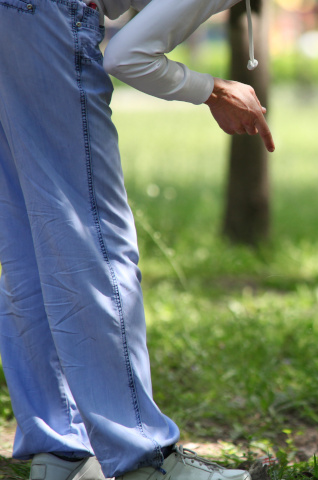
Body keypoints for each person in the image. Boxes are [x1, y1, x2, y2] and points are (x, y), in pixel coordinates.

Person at [0, 0, 273, 478]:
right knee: (95, 238)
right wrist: (213, 90)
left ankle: (58, 451)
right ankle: (142, 458)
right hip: (47, 19)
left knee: (26, 240)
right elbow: (127, 55)